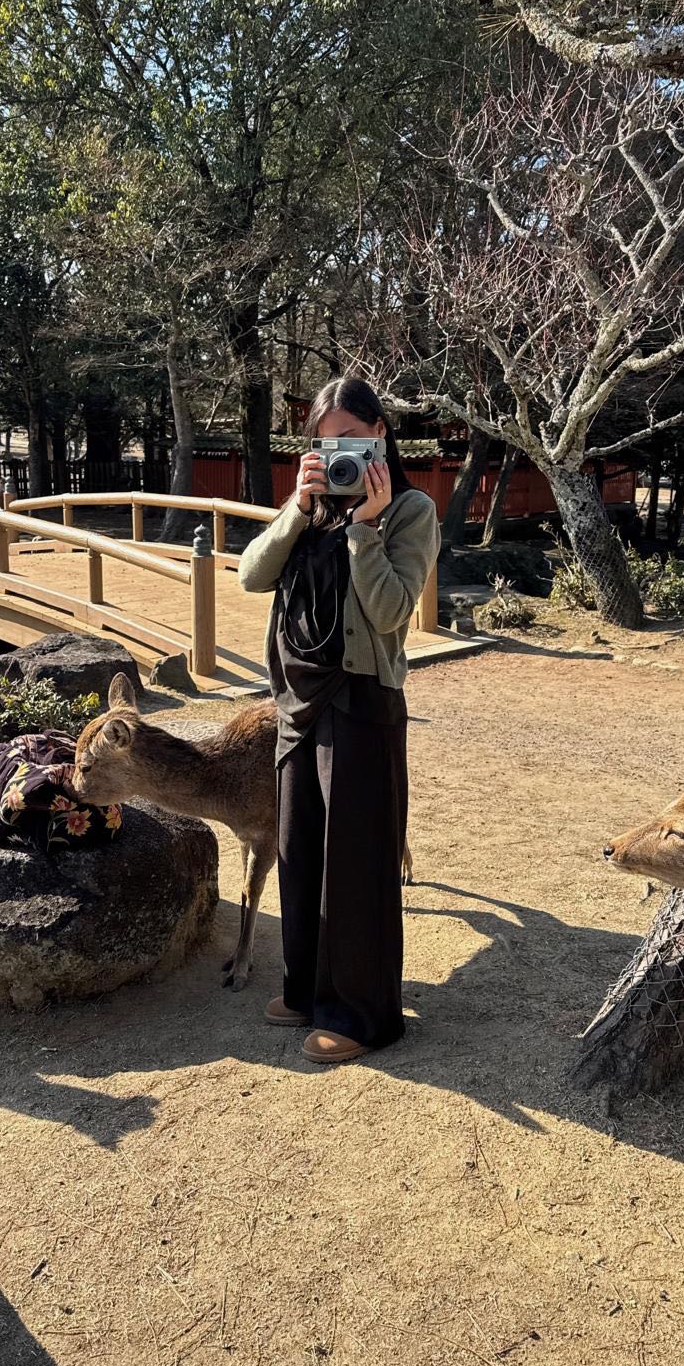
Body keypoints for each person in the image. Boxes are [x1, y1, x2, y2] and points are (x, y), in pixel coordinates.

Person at [238, 377, 440, 1064]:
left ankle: (360, 1013)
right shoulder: (312, 506)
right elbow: (250, 575)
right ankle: (304, 989)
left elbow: (389, 613)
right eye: (326, 442)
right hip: (298, 700)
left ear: (381, 433)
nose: (341, 453)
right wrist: (299, 506)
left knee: (355, 864)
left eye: (353, 438)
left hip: (361, 704)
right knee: (299, 852)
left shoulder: (409, 510)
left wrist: (362, 531)